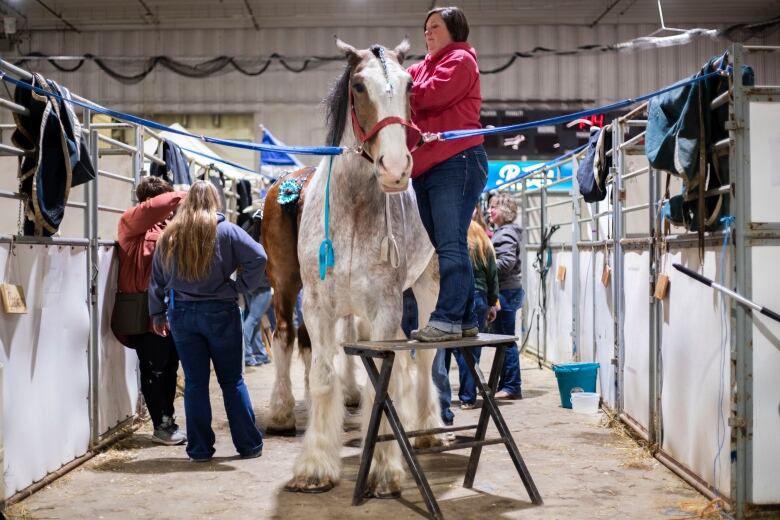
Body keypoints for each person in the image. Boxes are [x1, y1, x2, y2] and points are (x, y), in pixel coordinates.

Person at [149, 180, 266, 462]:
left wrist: (156, 313)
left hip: (183, 314)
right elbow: (259, 257)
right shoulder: (227, 231)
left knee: (195, 384)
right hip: (221, 312)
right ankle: (248, 445)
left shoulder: (170, 235)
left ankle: (200, 449)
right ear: (216, 201)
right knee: (232, 381)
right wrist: (240, 287)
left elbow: (157, 280)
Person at [408, 6, 488, 343]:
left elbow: (428, 97)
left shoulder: (460, 61)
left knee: (450, 243)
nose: (428, 32)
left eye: (435, 27)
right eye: (425, 27)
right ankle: (466, 317)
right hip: (427, 166)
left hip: (457, 160)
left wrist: (401, 90)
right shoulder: (420, 67)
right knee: (447, 243)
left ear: (455, 30)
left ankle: (446, 318)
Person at [116, 176, 187, 445]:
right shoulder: (130, 223)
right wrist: (186, 194)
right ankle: (161, 424)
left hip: (171, 309)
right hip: (143, 310)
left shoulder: (171, 227)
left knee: (170, 367)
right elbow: (152, 209)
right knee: (155, 368)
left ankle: (167, 420)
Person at [453, 220, 499, 409]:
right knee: (472, 350)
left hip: (455, 295)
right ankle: (468, 397)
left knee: (453, 346)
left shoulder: (456, 243)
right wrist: (492, 303)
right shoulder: (483, 243)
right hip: (479, 297)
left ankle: (451, 398)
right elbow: (493, 275)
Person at [488, 193, 524, 399]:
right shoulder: (504, 232)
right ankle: (506, 384)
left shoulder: (505, 234)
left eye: (494, 207)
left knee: (506, 341)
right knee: (505, 339)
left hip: (505, 291)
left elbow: (507, 262)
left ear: (506, 211)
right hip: (509, 290)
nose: (490, 211)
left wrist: (485, 266)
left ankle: (511, 386)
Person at [240, 208, 271, 366]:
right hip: (262, 284)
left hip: (248, 283)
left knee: (254, 318)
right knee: (252, 320)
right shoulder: (265, 237)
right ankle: (245, 355)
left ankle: (259, 354)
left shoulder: (246, 230)